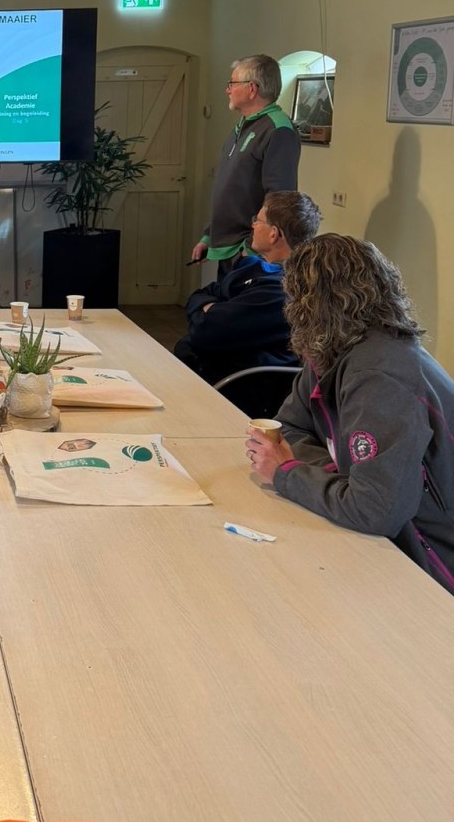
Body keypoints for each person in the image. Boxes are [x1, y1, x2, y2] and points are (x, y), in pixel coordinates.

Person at [246, 235, 454, 591]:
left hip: (429, 571)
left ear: (307, 303)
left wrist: (287, 472)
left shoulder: (380, 375)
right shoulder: (335, 346)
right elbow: (291, 428)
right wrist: (343, 480)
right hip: (389, 543)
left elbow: (375, 511)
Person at [176, 190, 322, 384]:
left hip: (236, 387)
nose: (252, 225)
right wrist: (211, 309)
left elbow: (205, 332)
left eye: (258, 220)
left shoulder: (282, 288)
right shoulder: (253, 268)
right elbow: (202, 294)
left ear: (273, 234)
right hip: (207, 371)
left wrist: (213, 309)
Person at [192, 55, 299, 278]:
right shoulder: (243, 125)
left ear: (252, 88)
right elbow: (231, 190)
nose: (227, 90)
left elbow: (280, 197)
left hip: (249, 253)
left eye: (232, 83)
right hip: (229, 248)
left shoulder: (278, 130)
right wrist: (209, 237)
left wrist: (250, 248)